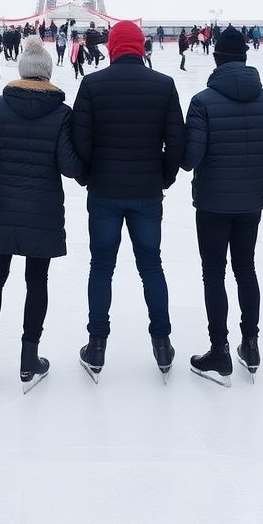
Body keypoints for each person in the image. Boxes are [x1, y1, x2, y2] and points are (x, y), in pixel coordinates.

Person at [71, 20, 186, 382]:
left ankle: (97, 345)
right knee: (151, 266)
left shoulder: (92, 84)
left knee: (101, 267)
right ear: (140, 47)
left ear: (112, 48)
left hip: (104, 191)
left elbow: (80, 140)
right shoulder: (163, 84)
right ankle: (162, 343)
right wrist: (163, 177)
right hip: (146, 192)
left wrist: (90, 175)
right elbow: (177, 142)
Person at [0, 38, 86, 391]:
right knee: (37, 281)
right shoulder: (61, 113)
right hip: (42, 209)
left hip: (2, 205)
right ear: (48, 73)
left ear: (22, 71)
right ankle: (28, 359)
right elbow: (69, 167)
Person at [182, 26, 263, 385]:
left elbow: (190, 157)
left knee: (214, 273)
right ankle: (251, 344)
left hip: (212, 203)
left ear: (217, 59)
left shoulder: (202, 102)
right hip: (250, 202)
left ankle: (220, 350)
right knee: (246, 269)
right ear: (245, 59)